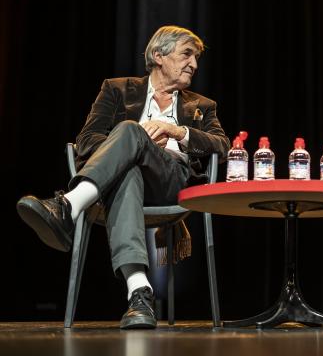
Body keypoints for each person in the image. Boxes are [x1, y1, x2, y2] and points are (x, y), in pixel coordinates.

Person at [16, 25, 230, 329]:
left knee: (130, 131)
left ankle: (68, 207)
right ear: (159, 55)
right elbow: (87, 140)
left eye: (196, 57)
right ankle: (140, 294)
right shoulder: (117, 89)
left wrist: (177, 132)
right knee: (128, 162)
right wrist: (133, 145)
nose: (193, 64)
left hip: (171, 182)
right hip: (121, 183)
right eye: (187, 54)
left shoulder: (202, 106)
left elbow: (222, 146)